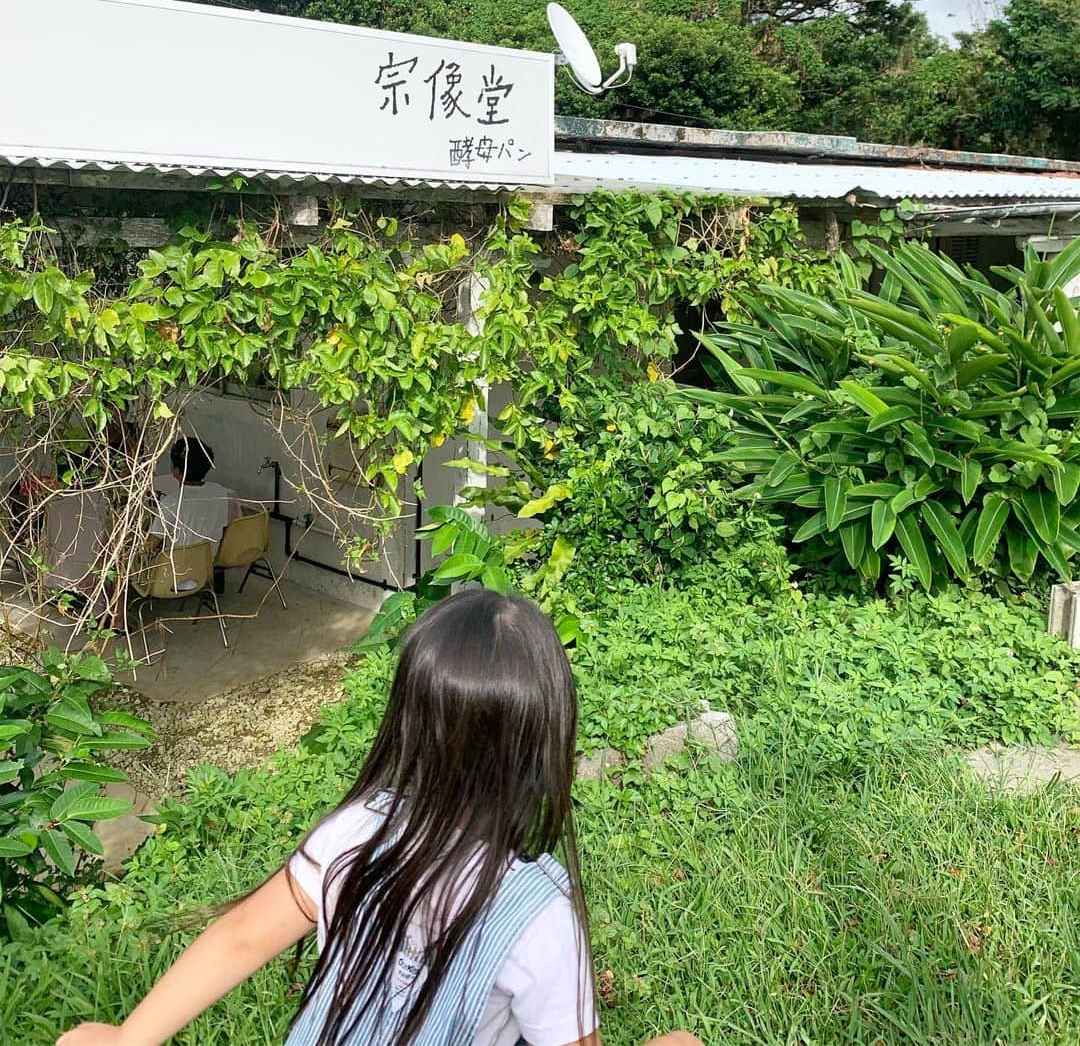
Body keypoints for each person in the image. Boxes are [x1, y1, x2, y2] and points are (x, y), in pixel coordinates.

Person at [55, 587, 703, 1046]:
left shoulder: (354, 829)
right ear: (545, 745)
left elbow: (241, 934)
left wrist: (125, 1036)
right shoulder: (538, 913)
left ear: (410, 725)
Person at [148, 436, 240, 552]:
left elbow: (150, 545)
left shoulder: (172, 502)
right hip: (208, 563)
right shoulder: (227, 494)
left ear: (176, 471)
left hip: (177, 566)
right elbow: (234, 529)